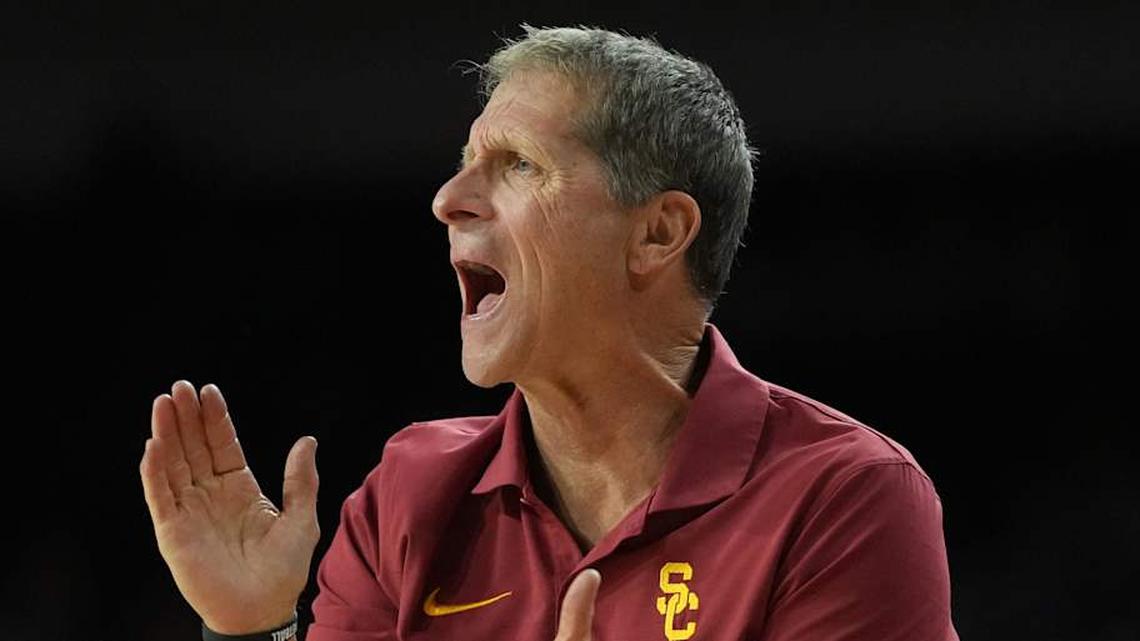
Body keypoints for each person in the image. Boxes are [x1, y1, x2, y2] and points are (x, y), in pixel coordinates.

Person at [140, 26, 959, 641]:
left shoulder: (843, 499)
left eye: (518, 164)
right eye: (465, 159)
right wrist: (252, 627)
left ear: (657, 234)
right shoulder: (410, 496)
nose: (447, 197)